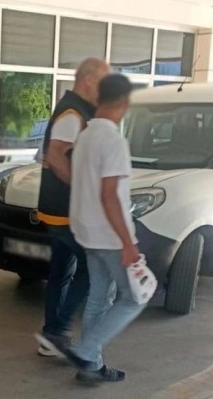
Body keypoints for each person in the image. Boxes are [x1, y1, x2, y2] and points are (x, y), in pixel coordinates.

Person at [45, 74, 144, 383]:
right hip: (110, 236)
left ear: (98, 99)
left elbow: (79, 185)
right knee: (135, 298)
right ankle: (86, 350)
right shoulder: (114, 141)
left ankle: (91, 366)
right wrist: (128, 242)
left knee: (98, 297)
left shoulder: (84, 136)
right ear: (124, 103)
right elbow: (109, 196)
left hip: (87, 233)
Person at [35, 58, 110, 356]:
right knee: (93, 268)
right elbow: (55, 156)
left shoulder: (78, 110)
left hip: (59, 210)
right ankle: (57, 331)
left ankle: (51, 334)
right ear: (89, 80)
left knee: (61, 270)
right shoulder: (72, 113)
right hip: (66, 211)